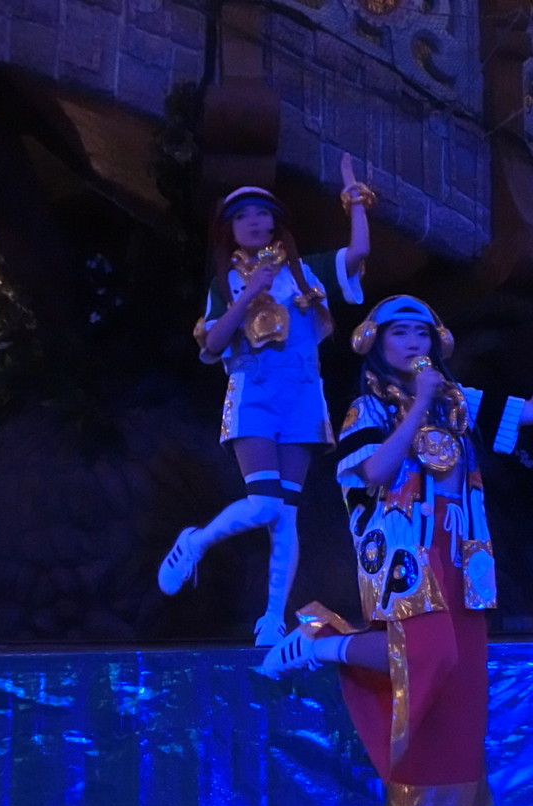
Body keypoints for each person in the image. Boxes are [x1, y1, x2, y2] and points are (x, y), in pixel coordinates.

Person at [259, 287, 533, 806]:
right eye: (399, 332)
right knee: (432, 655)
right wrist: (418, 405)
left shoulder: (457, 400)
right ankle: (320, 644)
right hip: (404, 546)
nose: (412, 342)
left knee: (457, 680)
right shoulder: (367, 409)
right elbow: (375, 471)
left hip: (461, 547)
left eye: (421, 332)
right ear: (377, 343)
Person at [157, 156, 374, 646]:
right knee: (264, 503)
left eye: (261, 213)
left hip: (302, 399)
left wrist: (354, 197)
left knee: (285, 513)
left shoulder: (305, 272)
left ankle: (272, 618)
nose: (254, 222)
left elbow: (359, 251)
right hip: (253, 396)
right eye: (242, 216)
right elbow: (213, 345)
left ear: (275, 222)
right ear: (230, 229)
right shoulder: (225, 283)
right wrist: (247, 293)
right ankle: (197, 541)